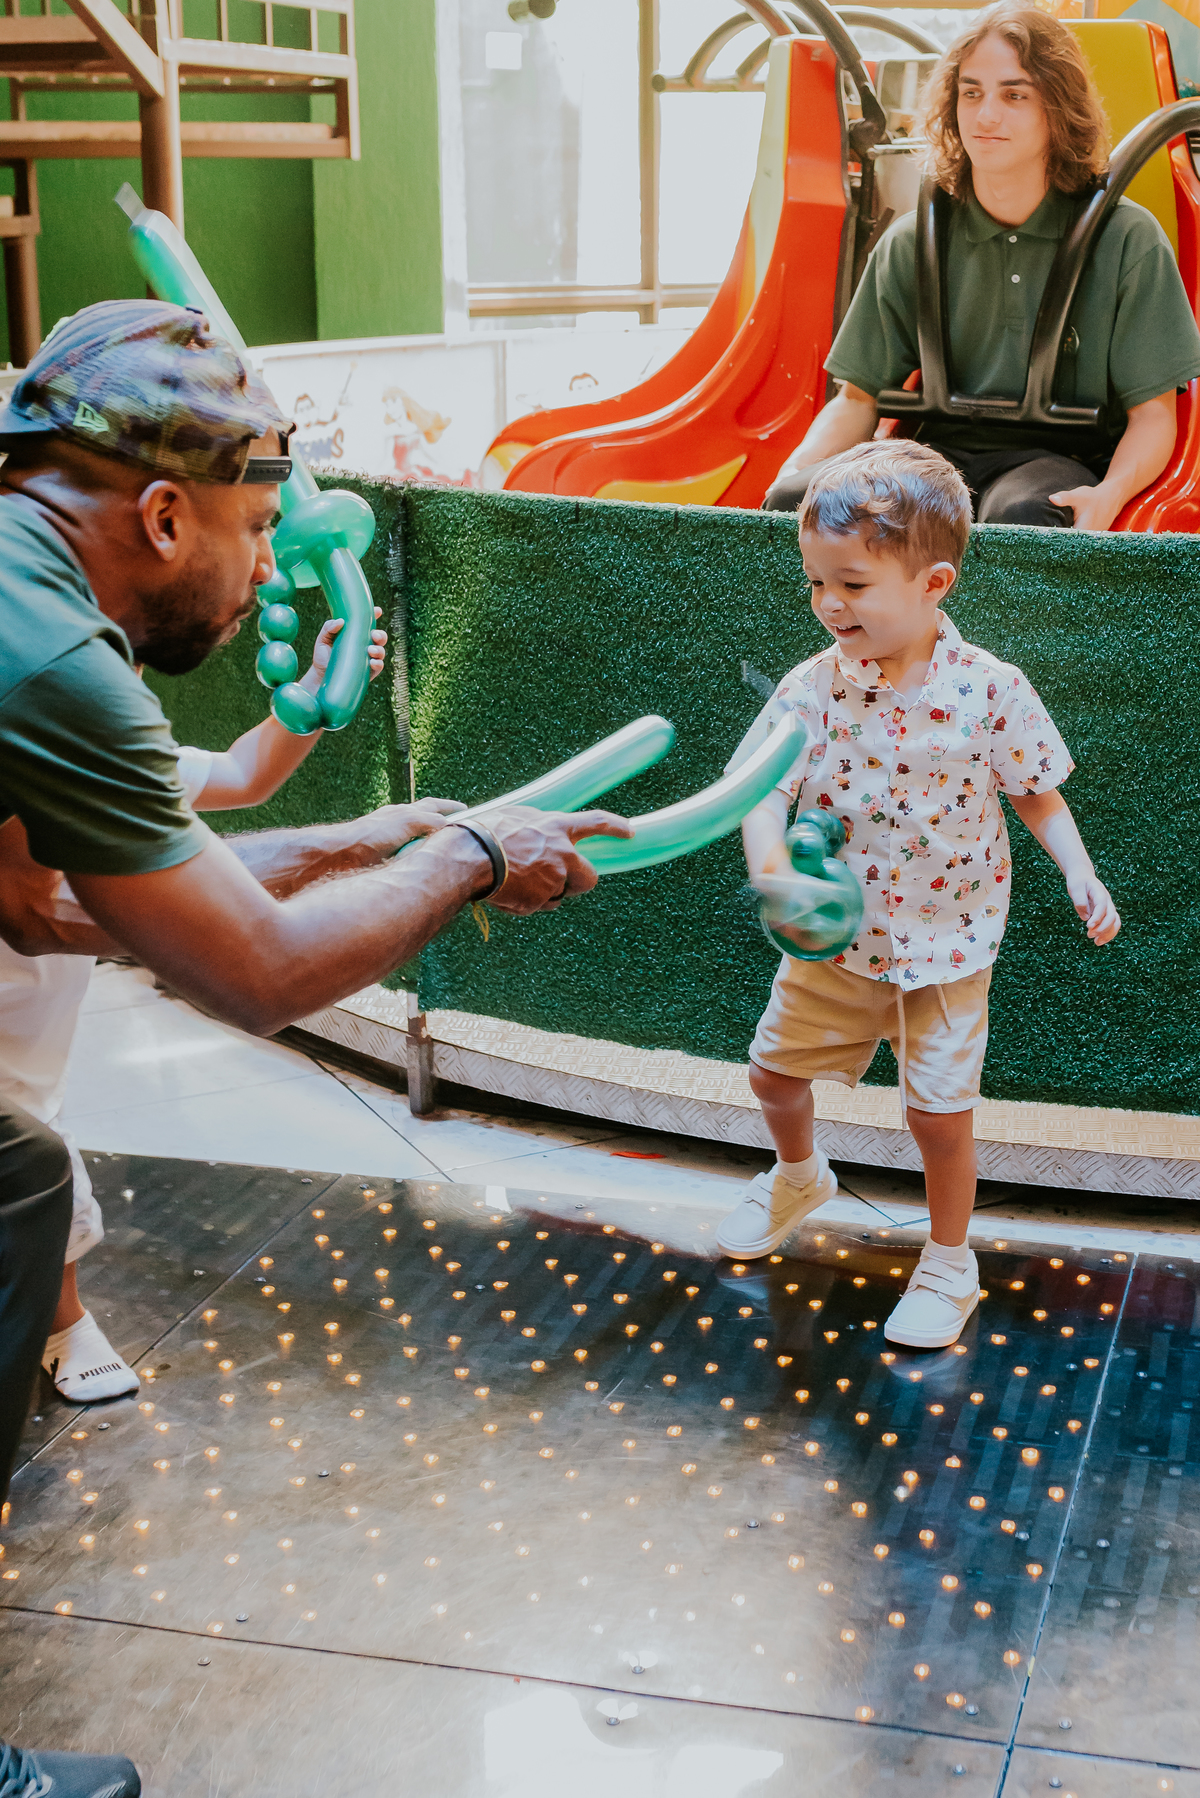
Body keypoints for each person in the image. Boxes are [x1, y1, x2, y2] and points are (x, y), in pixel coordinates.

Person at [0, 299, 629, 1793]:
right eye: (258, 523)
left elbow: (42, 906)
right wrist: (472, 848)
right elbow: (257, 975)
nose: (271, 563)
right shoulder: (43, 655)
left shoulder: (23, 585)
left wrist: (372, 836)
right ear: (163, 512)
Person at [718, 441, 1119, 1348]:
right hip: (834, 946)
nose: (828, 604)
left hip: (948, 948)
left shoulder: (992, 691)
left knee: (938, 1118)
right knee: (772, 1076)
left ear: (934, 583)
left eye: (853, 585)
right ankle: (797, 1175)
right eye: (816, 581)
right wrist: (773, 871)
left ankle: (949, 1261)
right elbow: (763, 790)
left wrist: (1078, 866)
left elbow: (1035, 791)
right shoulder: (809, 688)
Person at [0, 609, 432, 1406]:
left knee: (42, 1150)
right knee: (35, 1164)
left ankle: (60, 1324)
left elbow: (243, 774)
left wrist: (309, 695)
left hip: (34, 1041)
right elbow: (50, 907)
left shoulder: (110, 757)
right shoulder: (28, 752)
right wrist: (374, 849)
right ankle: (57, 1321)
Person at [764, 2, 1200, 530]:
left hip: (1061, 461)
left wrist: (1110, 494)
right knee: (793, 500)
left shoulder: (1128, 239)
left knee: (1020, 516)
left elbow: (1154, 417)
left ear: (1057, 109)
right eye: (971, 93)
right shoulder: (913, 241)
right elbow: (856, 402)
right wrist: (790, 481)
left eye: (1014, 95)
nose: (985, 115)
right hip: (936, 455)